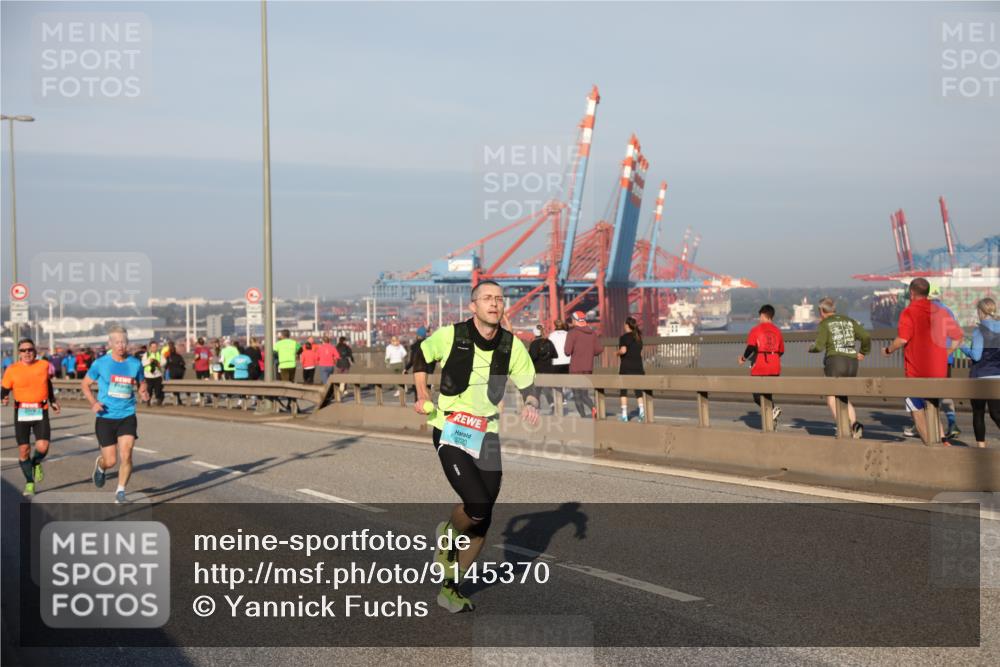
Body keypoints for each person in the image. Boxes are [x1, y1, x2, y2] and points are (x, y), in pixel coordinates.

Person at [412, 280, 539, 613]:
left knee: (483, 520)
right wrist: (423, 394)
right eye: (487, 298)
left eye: (499, 298)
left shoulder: (511, 345)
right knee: (477, 504)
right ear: (473, 306)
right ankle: (449, 533)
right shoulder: (452, 335)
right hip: (451, 428)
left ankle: (451, 589)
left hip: (487, 433)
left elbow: (528, 381)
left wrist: (531, 402)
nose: (494, 303)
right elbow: (421, 355)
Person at [883, 278, 963, 445]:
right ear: (927, 292)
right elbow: (958, 337)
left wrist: (888, 350)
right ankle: (944, 442)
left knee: (917, 411)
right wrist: (946, 352)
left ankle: (931, 448)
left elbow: (903, 339)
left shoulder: (909, 312)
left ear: (911, 293)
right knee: (932, 408)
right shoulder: (941, 312)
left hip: (916, 372)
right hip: (938, 371)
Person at [82, 326, 149, 504]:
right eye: (117, 342)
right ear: (110, 344)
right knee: (111, 460)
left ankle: (120, 491)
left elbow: (141, 382)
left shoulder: (134, 363)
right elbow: (85, 384)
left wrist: (143, 391)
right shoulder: (100, 363)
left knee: (126, 454)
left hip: (127, 415)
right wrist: (94, 403)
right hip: (105, 417)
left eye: (124, 342)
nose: (121, 345)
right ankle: (101, 466)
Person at [1, 338, 61, 496]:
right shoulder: (12, 369)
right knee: (24, 450)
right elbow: (5, 388)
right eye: (23, 350)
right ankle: (29, 483)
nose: (27, 352)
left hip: (40, 411)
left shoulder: (43, 365)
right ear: (19, 353)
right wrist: (4, 397)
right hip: (21, 413)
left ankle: (36, 462)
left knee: (42, 447)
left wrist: (53, 401)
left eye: (30, 350)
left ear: (34, 351)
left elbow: (47, 383)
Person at [809, 297, 871, 438]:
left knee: (831, 396)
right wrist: (863, 352)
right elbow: (866, 336)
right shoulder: (849, 320)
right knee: (843, 396)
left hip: (836, 361)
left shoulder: (825, 323)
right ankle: (854, 424)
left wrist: (811, 348)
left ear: (822, 311)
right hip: (852, 362)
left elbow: (819, 346)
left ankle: (843, 427)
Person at [961, 297, 1000, 448]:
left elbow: (976, 356)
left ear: (981, 312)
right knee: (996, 413)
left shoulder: (980, 330)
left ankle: (981, 448)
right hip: (998, 376)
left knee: (978, 413)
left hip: (981, 377)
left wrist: (962, 346)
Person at [739, 304, 785, 427]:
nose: (759, 319)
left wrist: (743, 358)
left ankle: (773, 410)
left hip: (760, 367)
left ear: (763, 315)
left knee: (757, 395)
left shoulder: (756, 330)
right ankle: (771, 422)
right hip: (775, 366)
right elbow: (781, 351)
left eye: (760, 316)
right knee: (768, 394)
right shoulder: (778, 331)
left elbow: (751, 347)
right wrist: (772, 358)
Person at [564, 311, 603, 418]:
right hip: (588, 368)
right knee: (584, 394)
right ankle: (593, 408)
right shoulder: (592, 333)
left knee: (577, 395)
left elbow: (567, 351)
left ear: (575, 320)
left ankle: (583, 416)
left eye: (572, 319)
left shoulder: (572, 333)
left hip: (575, 369)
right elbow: (599, 349)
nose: (571, 321)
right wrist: (589, 352)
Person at [617, 317, 645, 422]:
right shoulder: (638, 337)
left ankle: (624, 415)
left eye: (624, 324)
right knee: (638, 390)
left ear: (627, 325)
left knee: (623, 390)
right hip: (638, 366)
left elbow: (623, 350)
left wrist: (617, 353)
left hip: (626, 367)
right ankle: (642, 412)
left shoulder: (623, 337)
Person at [528, 324, 557, 413]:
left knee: (537, 390)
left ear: (534, 333)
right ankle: (553, 406)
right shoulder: (549, 342)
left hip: (538, 370)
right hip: (548, 369)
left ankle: (537, 408)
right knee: (546, 389)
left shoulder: (533, 343)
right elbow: (555, 355)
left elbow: (532, 357)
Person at [547, 319, 572, 414]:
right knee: (565, 381)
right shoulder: (568, 334)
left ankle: (560, 402)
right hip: (567, 361)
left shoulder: (552, 336)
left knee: (556, 384)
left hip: (556, 362)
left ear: (555, 326)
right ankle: (566, 397)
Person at [142, 340, 165, 406]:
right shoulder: (146, 354)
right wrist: (149, 361)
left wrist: (157, 362)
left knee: (158, 389)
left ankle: (158, 401)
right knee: (149, 389)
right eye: (153, 347)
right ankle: (148, 401)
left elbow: (164, 362)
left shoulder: (160, 354)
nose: (154, 348)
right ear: (150, 347)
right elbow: (143, 363)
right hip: (148, 375)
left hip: (157, 375)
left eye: (155, 347)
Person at [164, 340, 187, 405]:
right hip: (179, 374)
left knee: (174, 387)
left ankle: (178, 399)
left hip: (173, 374)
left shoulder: (169, 357)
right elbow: (183, 363)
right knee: (178, 386)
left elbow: (166, 366)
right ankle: (179, 399)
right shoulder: (179, 356)